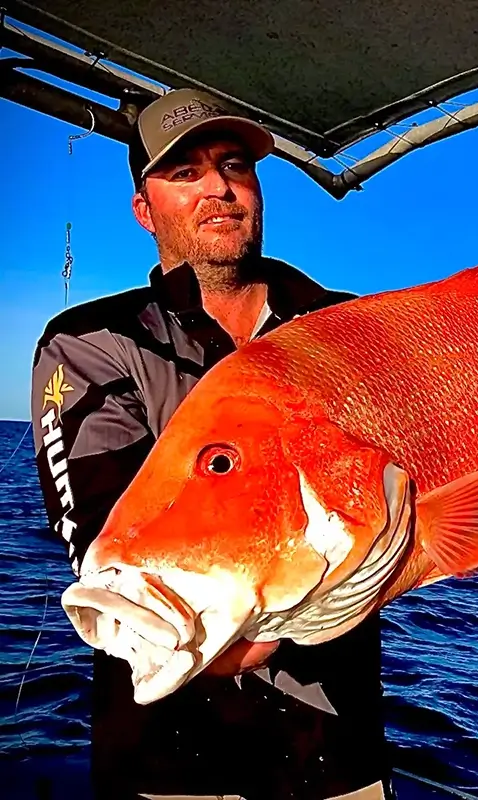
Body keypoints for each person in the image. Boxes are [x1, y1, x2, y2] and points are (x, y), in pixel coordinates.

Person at [31, 88, 392, 800]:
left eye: (234, 166)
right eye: (184, 173)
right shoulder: (89, 344)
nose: (219, 188)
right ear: (144, 209)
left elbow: (415, 486)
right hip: (164, 763)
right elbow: (107, 537)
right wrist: (219, 629)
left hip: (337, 752)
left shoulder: (349, 328)